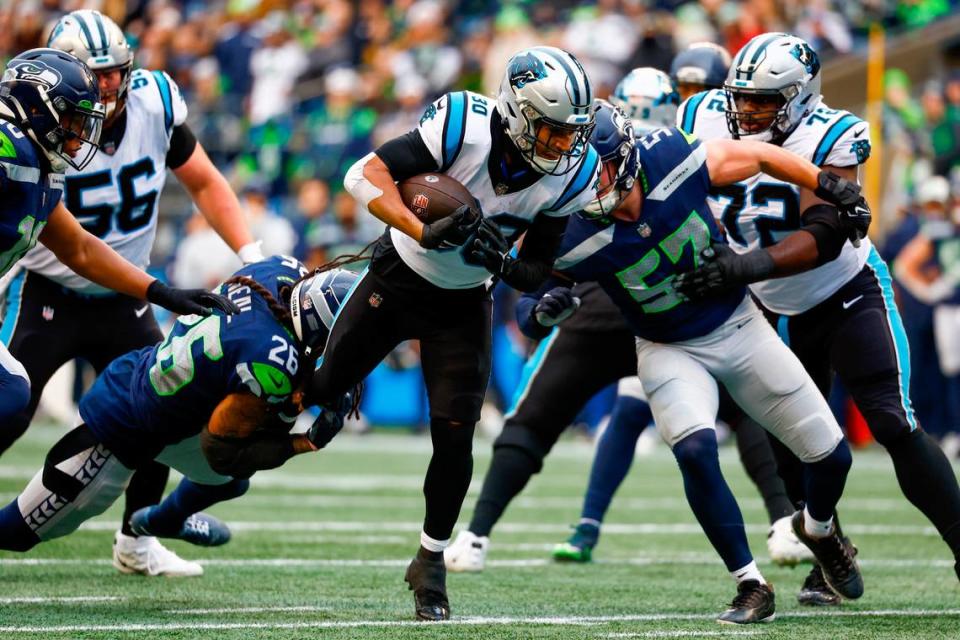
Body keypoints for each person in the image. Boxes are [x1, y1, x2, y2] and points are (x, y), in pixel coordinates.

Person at [518, 100, 866, 624]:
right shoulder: (568, 228)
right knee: (697, 447)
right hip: (666, 347)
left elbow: (759, 155)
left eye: (601, 169)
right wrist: (542, 313)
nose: (591, 184)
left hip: (740, 324)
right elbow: (527, 300)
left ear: (628, 157)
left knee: (833, 458)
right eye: (580, 173)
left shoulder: (671, 159)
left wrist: (829, 183)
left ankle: (816, 528)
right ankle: (750, 583)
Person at [675, 32, 960, 597]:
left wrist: (742, 267)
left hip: (846, 290)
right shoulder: (700, 114)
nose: (745, 110)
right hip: (769, 304)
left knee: (892, 422)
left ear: (800, 98)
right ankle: (826, 543)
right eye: (741, 96)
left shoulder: (832, 132)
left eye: (762, 100)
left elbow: (826, 234)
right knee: (792, 440)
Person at [322, 46, 600, 621]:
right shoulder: (462, 125)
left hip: (464, 302)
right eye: (550, 130)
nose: (562, 145)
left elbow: (534, 272)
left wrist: (493, 258)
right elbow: (362, 174)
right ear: (518, 113)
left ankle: (431, 562)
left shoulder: (572, 171)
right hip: (398, 274)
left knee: (455, 438)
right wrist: (421, 228)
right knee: (322, 389)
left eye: (569, 133)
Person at [0, 11, 265, 578]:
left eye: (114, 74)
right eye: (91, 79)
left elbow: (200, 183)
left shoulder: (150, 107)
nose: (106, 90)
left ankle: (136, 538)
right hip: (50, 287)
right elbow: (70, 249)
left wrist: (246, 255)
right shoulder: (24, 146)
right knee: (9, 405)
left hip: (125, 291)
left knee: (165, 411)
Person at [0, 256, 358, 558]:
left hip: (170, 400)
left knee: (230, 482)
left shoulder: (279, 270)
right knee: (17, 533)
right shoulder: (270, 363)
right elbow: (222, 450)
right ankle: (161, 518)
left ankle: (165, 520)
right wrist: (305, 441)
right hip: (125, 423)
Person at [0, 46, 235, 422]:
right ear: (37, 107)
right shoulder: (8, 152)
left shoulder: (38, 168)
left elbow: (79, 248)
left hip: (113, 304)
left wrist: (161, 292)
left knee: (10, 393)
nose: (79, 139)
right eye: (73, 121)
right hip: (44, 293)